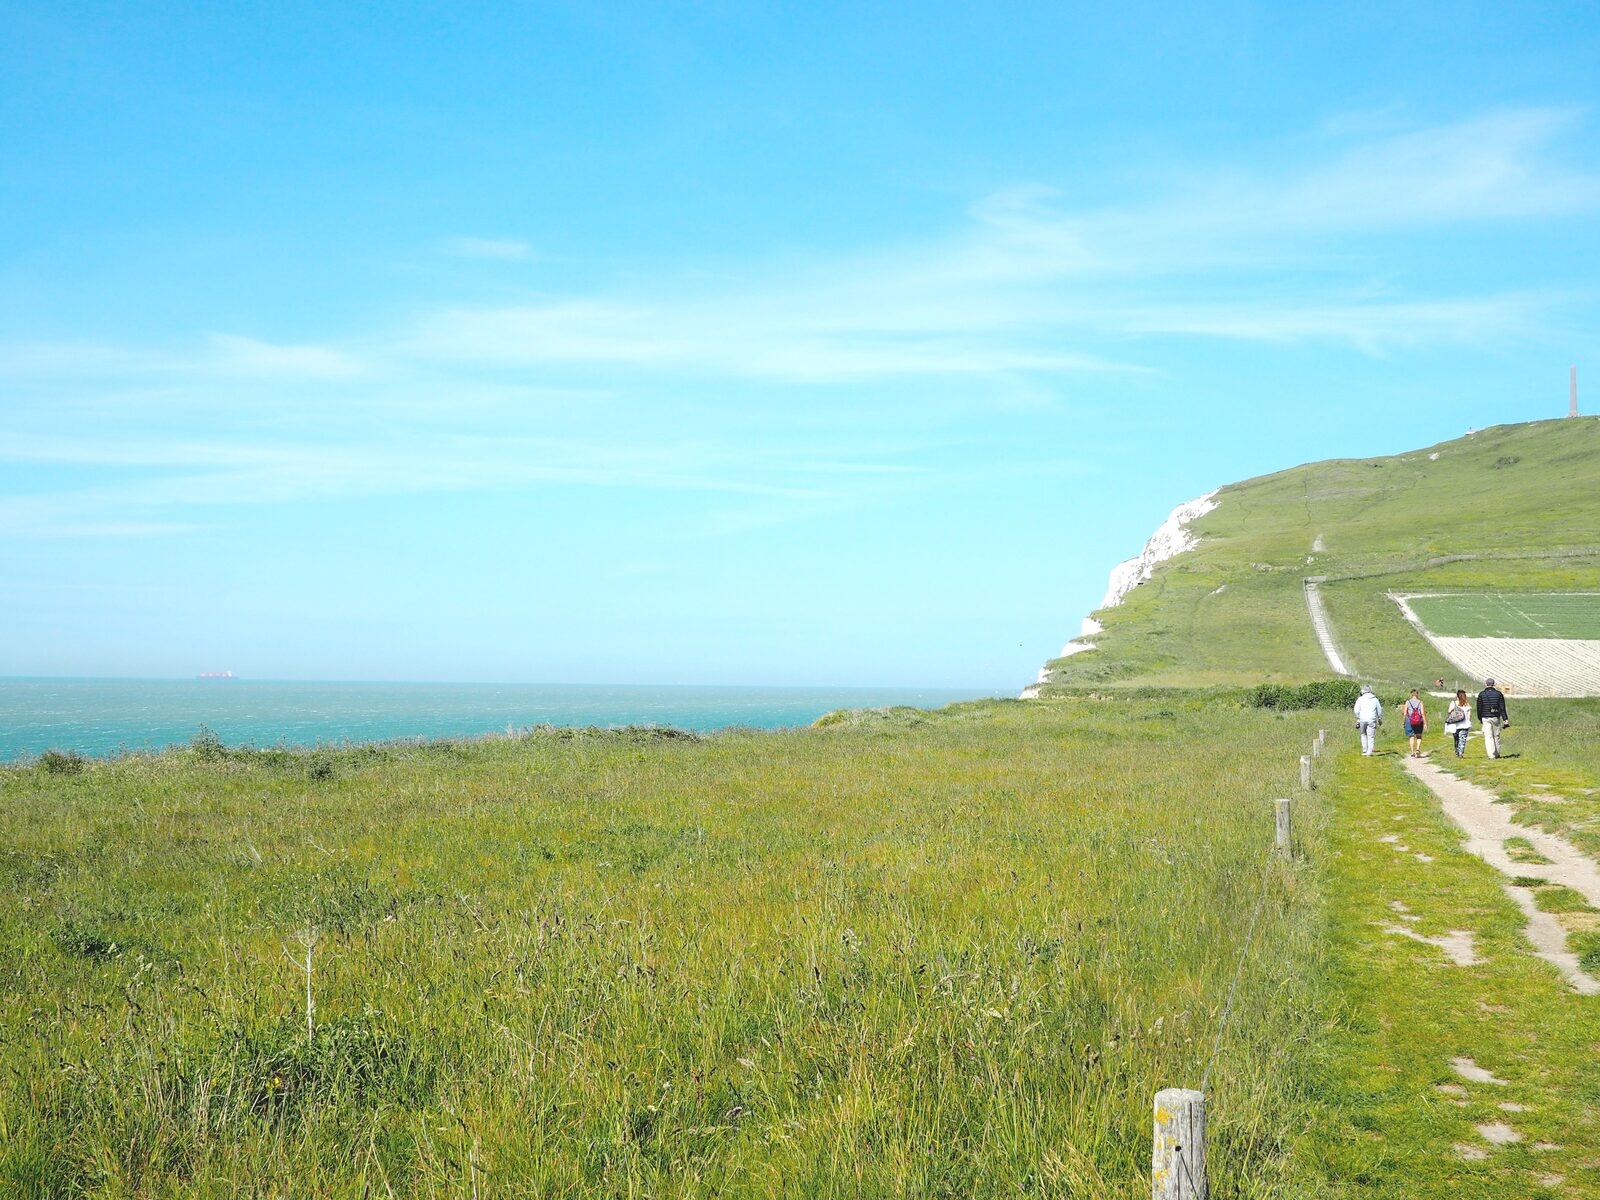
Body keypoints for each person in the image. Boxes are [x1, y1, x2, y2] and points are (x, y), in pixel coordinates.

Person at [1476, 678, 1511, 758]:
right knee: (1496, 735)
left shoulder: (1482, 694)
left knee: (1488, 736)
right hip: (1495, 717)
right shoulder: (1499, 694)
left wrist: (1480, 718)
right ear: (1493, 684)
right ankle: (1497, 753)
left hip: (1485, 717)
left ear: (1486, 684)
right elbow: (1502, 708)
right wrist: (1505, 719)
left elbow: (1479, 708)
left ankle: (1491, 755)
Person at [1353, 684, 1383, 756]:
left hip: (1362, 719)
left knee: (1363, 734)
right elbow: (1379, 710)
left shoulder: (1360, 699)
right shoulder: (1375, 699)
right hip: (1372, 719)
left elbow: (1356, 710)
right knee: (1371, 736)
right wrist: (1379, 718)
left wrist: (1358, 717)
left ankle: (1364, 750)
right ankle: (1369, 752)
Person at [1444, 688, 1472, 758]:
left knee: (1456, 739)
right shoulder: (1467, 704)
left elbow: (1449, 712)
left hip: (1455, 725)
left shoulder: (1453, 703)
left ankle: (1457, 752)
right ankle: (1460, 754)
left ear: (1457, 696)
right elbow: (1469, 716)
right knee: (1463, 740)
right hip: (1464, 725)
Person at [1402, 688, 1427, 757]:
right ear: (1417, 694)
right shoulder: (1420, 702)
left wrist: (1403, 722)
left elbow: (1404, 713)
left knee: (1411, 736)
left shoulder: (1407, 702)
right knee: (1419, 736)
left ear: (1411, 694)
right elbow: (1422, 713)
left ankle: (1412, 752)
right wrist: (1425, 723)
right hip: (1419, 721)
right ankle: (1418, 749)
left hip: (1410, 721)